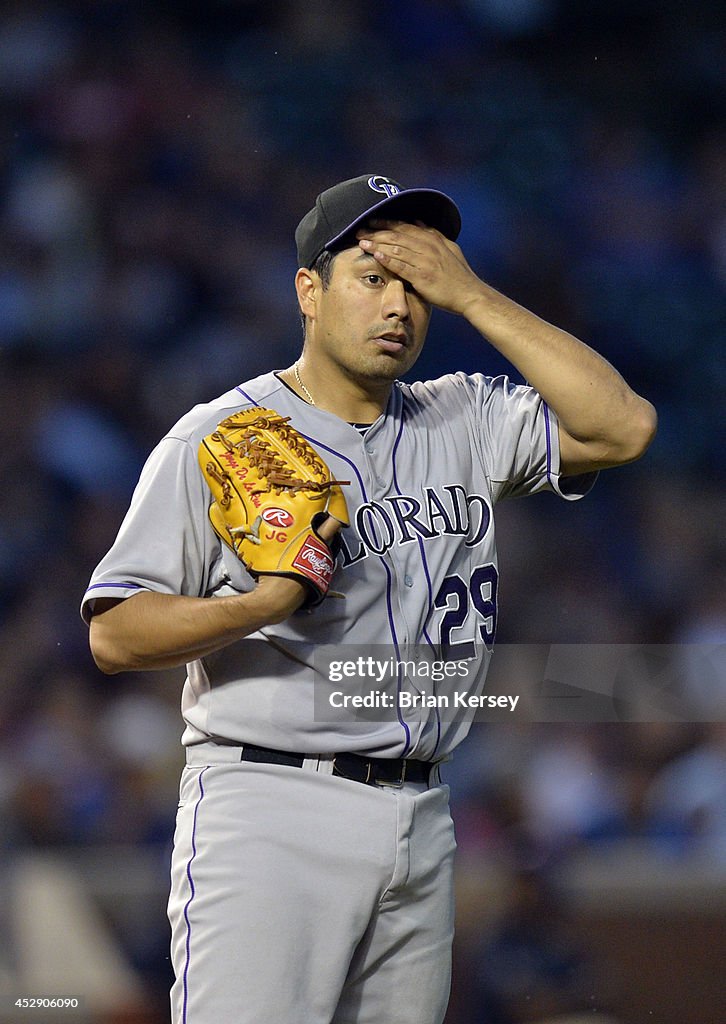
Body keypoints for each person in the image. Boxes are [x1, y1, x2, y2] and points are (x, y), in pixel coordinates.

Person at [82, 173, 656, 1024]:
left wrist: (474, 295)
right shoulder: (224, 438)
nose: (399, 305)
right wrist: (255, 605)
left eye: (417, 284)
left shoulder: (465, 415)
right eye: (372, 276)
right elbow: (115, 632)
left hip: (422, 810)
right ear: (308, 293)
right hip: (272, 808)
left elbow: (623, 427)